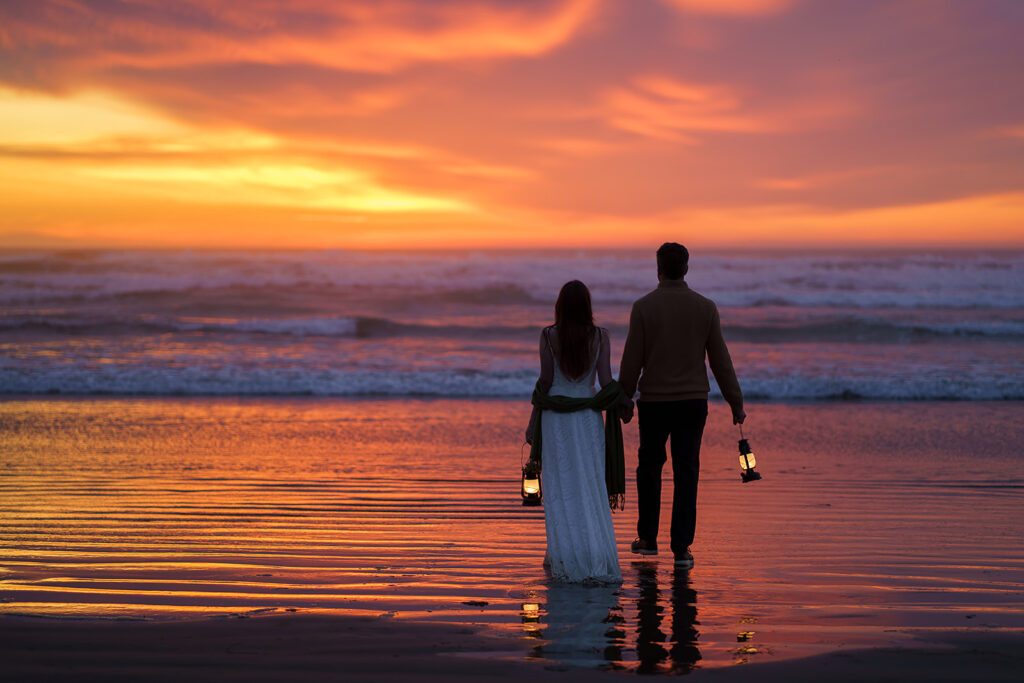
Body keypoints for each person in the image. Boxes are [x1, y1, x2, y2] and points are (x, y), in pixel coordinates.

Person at [618, 243, 745, 569]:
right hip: (692, 403)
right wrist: (735, 401)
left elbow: (632, 358)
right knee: (686, 471)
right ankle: (682, 548)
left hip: (655, 403)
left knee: (649, 467)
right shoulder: (705, 307)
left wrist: (624, 397)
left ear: (658, 267)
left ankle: (647, 540)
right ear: (686, 268)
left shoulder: (643, 307)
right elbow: (721, 360)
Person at [525, 280, 627, 583]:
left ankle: (564, 555)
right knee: (590, 486)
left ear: (560, 306)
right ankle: (595, 555)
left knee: (562, 489)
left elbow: (545, 383)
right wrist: (623, 399)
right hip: (587, 419)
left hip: (556, 419)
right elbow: (606, 381)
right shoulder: (600, 336)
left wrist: (533, 421)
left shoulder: (548, 336)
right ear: (587, 306)